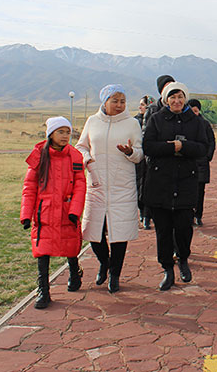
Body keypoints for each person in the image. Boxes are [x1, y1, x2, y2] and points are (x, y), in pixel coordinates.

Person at [76, 84, 143, 293]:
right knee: (92, 231)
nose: (119, 105)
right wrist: (87, 158)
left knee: (119, 233)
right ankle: (104, 262)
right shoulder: (92, 121)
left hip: (122, 185)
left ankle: (115, 274)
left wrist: (130, 152)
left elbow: (140, 154)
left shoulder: (132, 123)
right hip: (96, 184)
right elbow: (81, 146)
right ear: (104, 101)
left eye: (122, 101)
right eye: (115, 101)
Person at [142, 82, 208, 291]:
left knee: (183, 228)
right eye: (173, 97)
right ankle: (167, 268)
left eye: (180, 97)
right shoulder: (156, 119)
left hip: (186, 182)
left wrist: (184, 146)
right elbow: (148, 146)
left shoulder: (195, 122)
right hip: (160, 183)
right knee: (163, 231)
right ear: (166, 99)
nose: (177, 101)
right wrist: (172, 148)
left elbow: (203, 148)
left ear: (185, 99)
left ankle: (183, 258)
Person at [20, 116, 86, 309]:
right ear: (50, 134)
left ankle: (74, 272)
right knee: (42, 251)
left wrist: (75, 210)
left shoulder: (74, 156)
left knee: (70, 246)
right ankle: (43, 290)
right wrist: (26, 215)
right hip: (44, 213)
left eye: (68, 132)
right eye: (60, 132)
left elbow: (80, 186)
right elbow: (29, 187)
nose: (65, 136)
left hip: (67, 211)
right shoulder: (38, 156)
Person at [188, 98, 215, 226]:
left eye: (195, 111)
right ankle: (189, 216)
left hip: (201, 163)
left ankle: (198, 215)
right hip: (187, 162)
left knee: (200, 191)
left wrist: (207, 156)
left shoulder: (205, 124)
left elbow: (211, 141)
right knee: (188, 191)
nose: (193, 113)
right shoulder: (184, 123)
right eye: (191, 111)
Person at [135, 95, 156, 229]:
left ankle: (147, 216)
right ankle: (141, 211)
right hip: (138, 159)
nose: (140, 107)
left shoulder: (154, 121)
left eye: (143, 105)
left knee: (148, 187)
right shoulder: (134, 121)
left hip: (150, 159)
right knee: (138, 186)